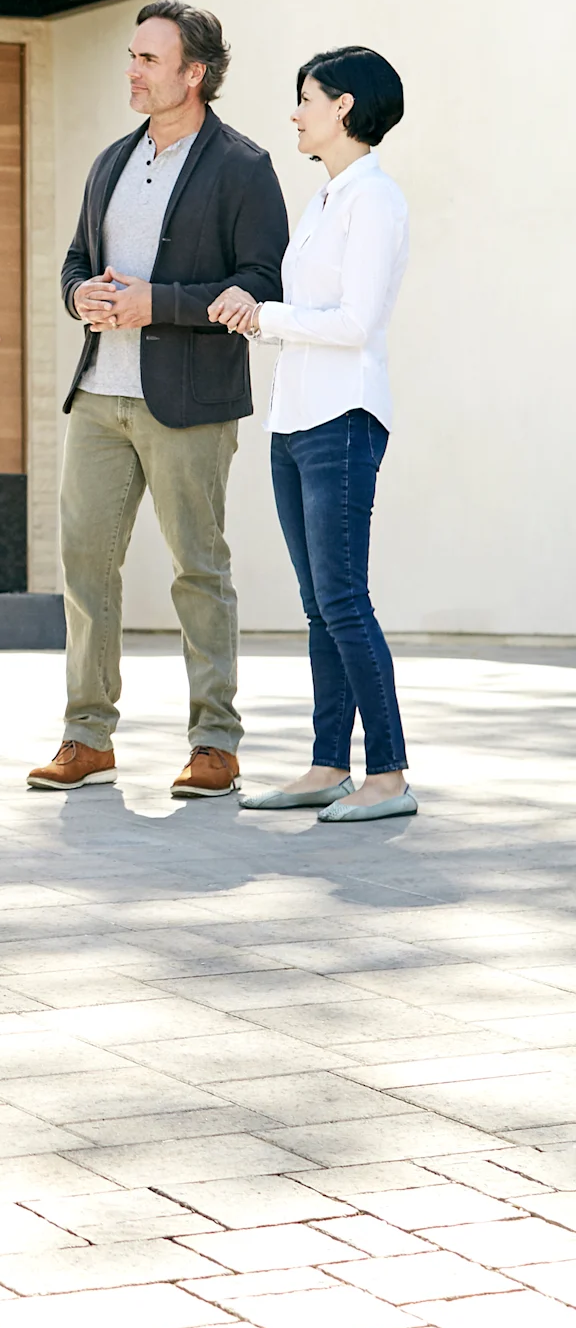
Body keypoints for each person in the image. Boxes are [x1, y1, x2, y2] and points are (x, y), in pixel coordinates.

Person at [33, 0, 287, 801]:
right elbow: (78, 257)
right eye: (132, 56)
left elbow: (263, 282)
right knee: (85, 568)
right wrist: (81, 298)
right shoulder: (110, 160)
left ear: (194, 74)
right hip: (99, 395)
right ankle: (87, 737)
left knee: (198, 570)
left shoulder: (243, 167)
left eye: (149, 59)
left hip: (189, 402)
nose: (133, 71)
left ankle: (215, 742)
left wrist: (159, 306)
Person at [210, 48, 415, 823]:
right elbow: (303, 315)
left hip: (344, 421)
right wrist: (256, 314)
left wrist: (265, 317)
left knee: (344, 600)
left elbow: (358, 323)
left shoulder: (375, 200)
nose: (295, 112)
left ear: (345, 106)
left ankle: (388, 776)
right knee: (319, 607)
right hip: (292, 422)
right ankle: (329, 764)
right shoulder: (324, 200)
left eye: (306, 98)